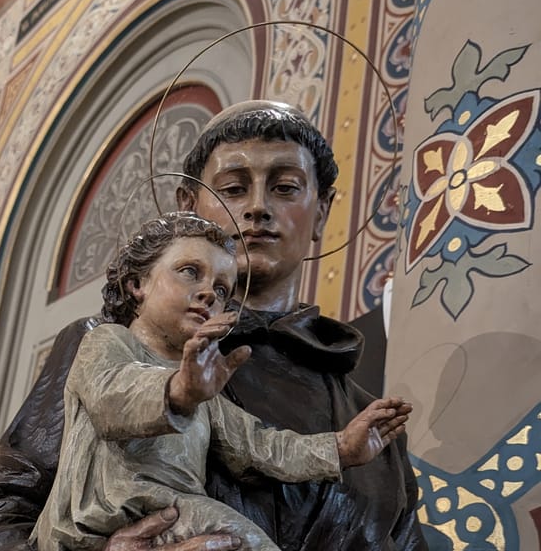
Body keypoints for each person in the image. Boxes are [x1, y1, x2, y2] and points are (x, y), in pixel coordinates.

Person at [0, 100, 428, 550]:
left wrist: (343, 448)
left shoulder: (369, 426)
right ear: (188, 204)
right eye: (233, 188)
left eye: (285, 187)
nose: (258, 208)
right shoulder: (112, 347)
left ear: (321, 212)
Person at [30, 212, 411, 551]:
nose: (210, 292)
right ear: (136, 283)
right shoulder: (107, 340)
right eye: (190, 272)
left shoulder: (202, 382)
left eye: (223, 289)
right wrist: (179, 392)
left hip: (171, 513)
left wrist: (341, 448)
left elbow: (259, 445)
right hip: (102, 517)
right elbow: (112, 397)